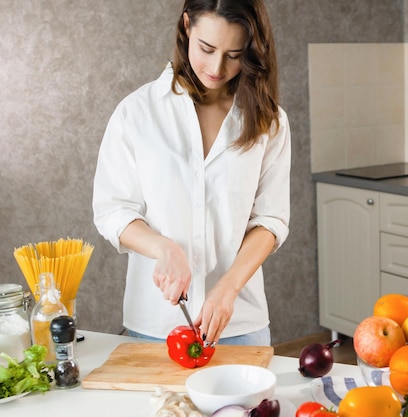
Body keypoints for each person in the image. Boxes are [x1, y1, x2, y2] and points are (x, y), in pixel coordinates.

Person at [92, 0, 290, 347]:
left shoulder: (268, 120)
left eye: (234, 54)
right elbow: (112, 211)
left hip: (239, 322)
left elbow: (270, 220)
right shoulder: (137, 112)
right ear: (186, 26)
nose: (216, 67)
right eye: (207, 48)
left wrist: (227, 288)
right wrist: (163, 248)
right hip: (156, 324)